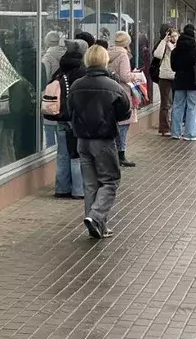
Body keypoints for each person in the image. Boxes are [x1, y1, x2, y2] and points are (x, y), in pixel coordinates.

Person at [68, 44, 132, 239]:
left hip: (82, 140)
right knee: (110, 180)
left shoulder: (77, 85)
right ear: (105, 61)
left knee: (90, 183)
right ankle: (96, 217)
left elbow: (70, 110)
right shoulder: (113, 86)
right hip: (103, 140)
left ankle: (96, 224)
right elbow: (125, 112)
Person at [51, 41, 88, 197]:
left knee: (62, 153)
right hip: (76, 118)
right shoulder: (82, 72)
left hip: (61, 116)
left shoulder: (59, 72)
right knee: (76, 154)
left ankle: (61, 188)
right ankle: (78, 190)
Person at [170, 24, 196, 140]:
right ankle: (190, 134)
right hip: (193, 82)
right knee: (192, 107)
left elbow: (173, 67)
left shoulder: (175, 51)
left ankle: (175, 132)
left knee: (177, 106)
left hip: (179, 82)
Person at [108, 30, 138, 168]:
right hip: (122, 92)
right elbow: (125, 76)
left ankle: (113, 154)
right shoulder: (123, 55)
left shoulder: (108, 52)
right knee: (124, 125)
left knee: (114, 125)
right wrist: (136, 76)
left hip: (110, 91)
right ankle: (121, 155)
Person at [41, 31, 66, 150]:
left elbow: (44, 77)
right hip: (63, 93)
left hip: (51, 95)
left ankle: (50, 152)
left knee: (49, 127)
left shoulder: (47, 57)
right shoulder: (65, 54)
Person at [153, 28, 178, 135]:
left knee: (175, 102)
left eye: (176, 35)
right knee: (165, 103)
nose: (174, 38)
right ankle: (164, 128)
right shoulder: (163, 45)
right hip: (164, 76)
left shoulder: (178, 46)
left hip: (176, 76)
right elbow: (157, 55)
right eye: (172, 36)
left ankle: (174, 127)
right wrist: (164, 41)